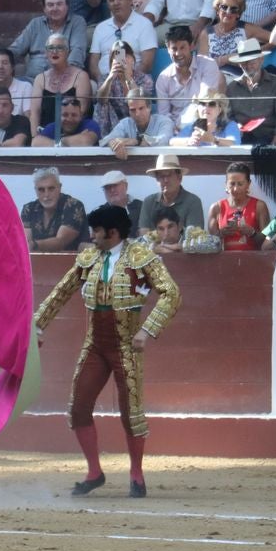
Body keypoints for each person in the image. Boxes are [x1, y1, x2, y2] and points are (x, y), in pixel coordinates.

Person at [33, 203, 181, 498]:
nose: (92, 235)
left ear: (112, 233)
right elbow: (61, 291)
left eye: (97, 230)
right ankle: (94, 472)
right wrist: (37, 325)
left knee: (131, 413)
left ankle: (136, 475)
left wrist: (147, 330)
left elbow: (172, 293)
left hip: (126, 345)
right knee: (78, 408)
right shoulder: (89, 257)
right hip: (95, 345)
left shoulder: (141, 257)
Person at [9, 0, 88, 78]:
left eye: (59, 4)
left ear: (67, 6)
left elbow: (77, 52)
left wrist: (64, 75)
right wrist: (3, 59)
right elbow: (16, 49)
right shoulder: (35, 24)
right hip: (32, 81)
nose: (55, 8)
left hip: (66, 78)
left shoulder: (77, 22)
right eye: (50, 5)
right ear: (44, 9)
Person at [225, 38, 276, 145]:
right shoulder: (232, 87)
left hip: (268, 137)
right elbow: (228, 116)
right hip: (240, 138)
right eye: (244, 63)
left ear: (261, 60)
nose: (248, 66)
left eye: (252, 62)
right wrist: (235, 127)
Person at [88, 0, 158, 82]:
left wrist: (125, 82)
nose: (116, 2)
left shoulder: (144, 25)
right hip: (104, 83)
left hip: (133, 82)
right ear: (108, 4)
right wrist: (105, 84)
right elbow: (93, 65)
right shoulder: (100, 28)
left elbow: (147, 64)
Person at [197, 0, 272, 77]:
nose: (228, 12)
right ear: (217, 10)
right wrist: (225, 59)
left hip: (240, 78)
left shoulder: (247, 29)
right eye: (224, 7)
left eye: (233, 9)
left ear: (239, 14)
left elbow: (275, 40)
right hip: (213, 78)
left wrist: (254, 53)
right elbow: (202, 65)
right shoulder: (206, 33)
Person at [155, 24, 224, 120]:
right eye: (174, 49)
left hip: (202, 121)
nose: (178, 53)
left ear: (191, 46)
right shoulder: (163, 78)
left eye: (182, 48)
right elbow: (163, 114)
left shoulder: (208, 65)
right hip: (173, 128)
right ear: (168, 49)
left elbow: (205, 101)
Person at [27, 32, 92, 133]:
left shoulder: (81, 76)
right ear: (46, 53)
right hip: (46, 135)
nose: (55, 51)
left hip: (73, 134)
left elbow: (81, 111)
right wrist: (34, 137)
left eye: (60, 48)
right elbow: (35, 113)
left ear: (68, 52)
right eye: (51, 48)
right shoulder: (40, 79)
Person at [93, 39, 155, 136]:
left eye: (126, 56)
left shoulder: (144, 79)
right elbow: (100, 99)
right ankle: (105, 139)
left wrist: (128, 78)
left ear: (132, 59)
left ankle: (139, 136)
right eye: (118, 57)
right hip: (113, 121)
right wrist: (110, 78)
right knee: (101, 105)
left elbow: (141, 100)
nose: (122, 60)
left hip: (136, 116)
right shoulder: (105, 78)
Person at [20, 166, 87, 251]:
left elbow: (61, 242)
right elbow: (26, 242)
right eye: (41, 190)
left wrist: (34, 244)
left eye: (51, 188)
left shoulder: (73, 206)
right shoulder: (29, 209)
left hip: (72, 262)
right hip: (36, 262)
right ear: (35, 190)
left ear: (59, 187)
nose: (46, 194)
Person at [207, 162, 270, 250]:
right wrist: (221, 234)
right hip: (224, 261)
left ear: (248, 184)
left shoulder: (259, 206)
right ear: (226, 184)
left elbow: (268, 243)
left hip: (253, 260)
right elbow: (209, 244)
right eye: (232, 184)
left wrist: (252, 233)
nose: (236, 189)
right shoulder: (216, 208)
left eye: (240, 184)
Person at [137, 154, 205, 234]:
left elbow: (194, 237)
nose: (165, 180)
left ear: (179, 178)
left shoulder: (193, 202)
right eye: (161, 176)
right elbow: (144, 234)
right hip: (153, 246)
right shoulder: (149, 201)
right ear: (157, 179)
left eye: (169, 175)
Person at [99, 87, 175, 158]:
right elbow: (104, 141)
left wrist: (137, 141)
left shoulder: (164, 121)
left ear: (149, 107)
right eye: (133, 110)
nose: (137, 114)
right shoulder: (126, 123)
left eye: (141, 108)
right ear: (128, 111)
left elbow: (165, 140)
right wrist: (115, 144)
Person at [171, 86, 241, 146]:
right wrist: (189, 141)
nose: (206, 108)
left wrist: (214, 140)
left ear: (220, 110)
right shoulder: (192, 126)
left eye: (211, 104)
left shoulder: (230, 125)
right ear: (197, 108)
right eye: (202, 104)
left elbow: (235, 144)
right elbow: (172, 142)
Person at [33, 95, 100, 146]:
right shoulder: (53, 127)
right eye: (65, 115)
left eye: (74, 115)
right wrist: (63, 143)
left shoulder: (90, 124)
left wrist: (55, 142)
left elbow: (85, 142)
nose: (69, 119)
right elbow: (35, 142)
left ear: (81, 116)